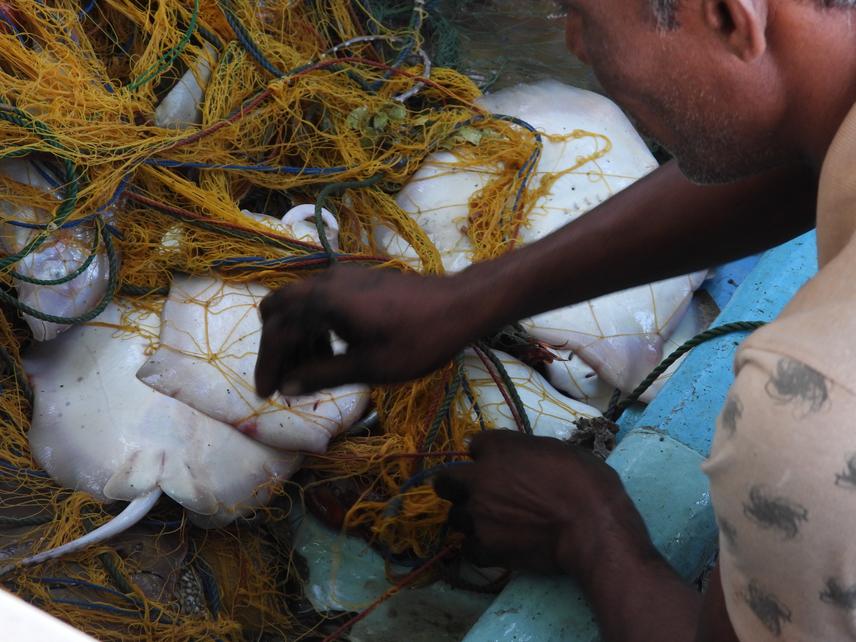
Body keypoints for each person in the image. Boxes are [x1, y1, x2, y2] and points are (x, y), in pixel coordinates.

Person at [254, 1, 856, 639]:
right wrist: (468, 298)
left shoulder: (810, 404)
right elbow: (796, 160)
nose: (573, 41)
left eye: (580, 12)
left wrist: (588, 528)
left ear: (731, 17)